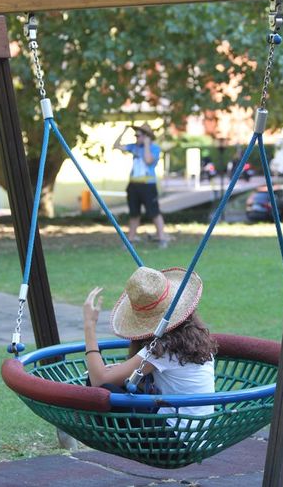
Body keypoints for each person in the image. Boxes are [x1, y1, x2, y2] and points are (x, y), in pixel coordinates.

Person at [83, 266, 217, 433]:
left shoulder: (164, 346)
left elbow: (99, 380)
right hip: (196, 434)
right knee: (114, 383)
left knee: (103, 389)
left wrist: (89, 326)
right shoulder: (192, 338)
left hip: (176, 439)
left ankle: (76, 427)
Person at [113, 123, 167, 246]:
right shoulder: (133, 147)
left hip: (148, 185)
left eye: (139, 136)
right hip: (134, 185)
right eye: (135, 135)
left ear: (147, 137)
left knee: (154, 212)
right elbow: (116, 146)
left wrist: (147, 145)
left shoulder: (154, 148)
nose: (136, 138)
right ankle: (130, 240)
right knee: (134, 213)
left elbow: (148, 161)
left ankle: (162, 238)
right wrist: (124, 131)